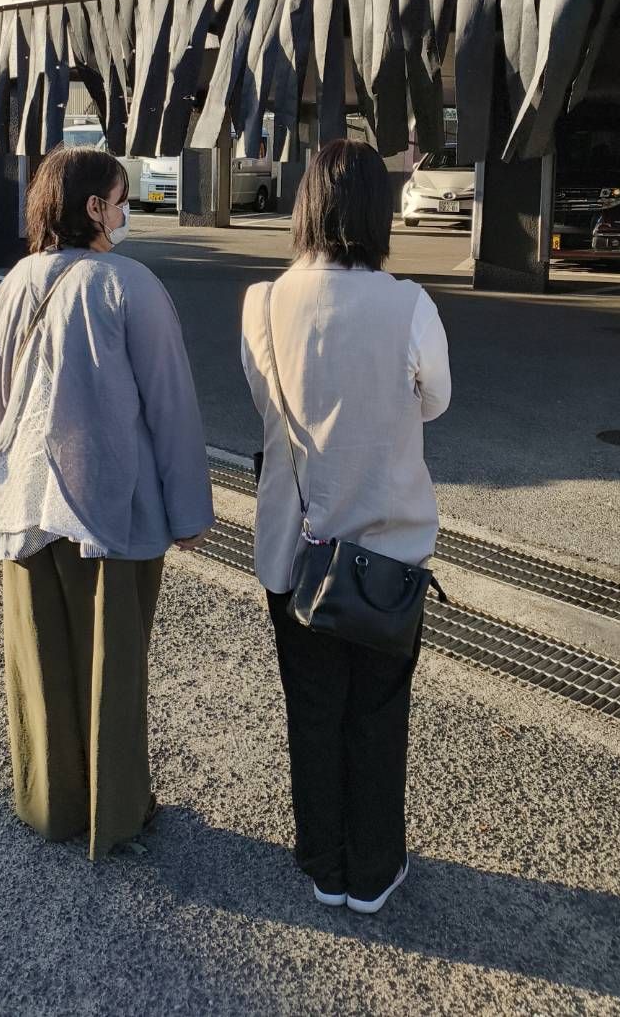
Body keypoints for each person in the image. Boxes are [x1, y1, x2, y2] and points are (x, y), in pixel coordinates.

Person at [0, 143, 213, 858]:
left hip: (23, 509)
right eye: (120, 198)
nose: (125, 211)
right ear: (95, 207)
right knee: (115, 667)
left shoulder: (15, 282)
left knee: (41, 662)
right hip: (113, 513)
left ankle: (51, 803)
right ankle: (117, 810)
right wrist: (188, 512)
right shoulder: (130, 285)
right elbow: (170, 406)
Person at [240, 138, 451, 914]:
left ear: (305, 205)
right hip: (389, 554)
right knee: (378, 714)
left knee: (313, 710)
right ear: (377, 213)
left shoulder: (261, 303)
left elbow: (265, 401)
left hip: (296, 553)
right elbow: (437, 401)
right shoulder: (411, 305)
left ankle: (324, 864)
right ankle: (373, 869)